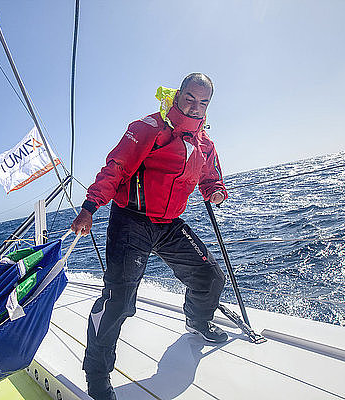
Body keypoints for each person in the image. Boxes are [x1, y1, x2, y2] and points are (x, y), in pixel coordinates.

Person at [71, 73, 228, 400]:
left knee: (210, 276)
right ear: (177, 96)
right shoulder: (149, 128)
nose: (195, 106)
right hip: (132, 220)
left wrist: (214, 191)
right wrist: (89, 206)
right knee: (119, 303)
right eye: (189, 98)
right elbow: (116, 168)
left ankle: (197, 322)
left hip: (168, 222)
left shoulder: (204, 143)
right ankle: (96, 374)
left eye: (203, 102)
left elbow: (209, 175)